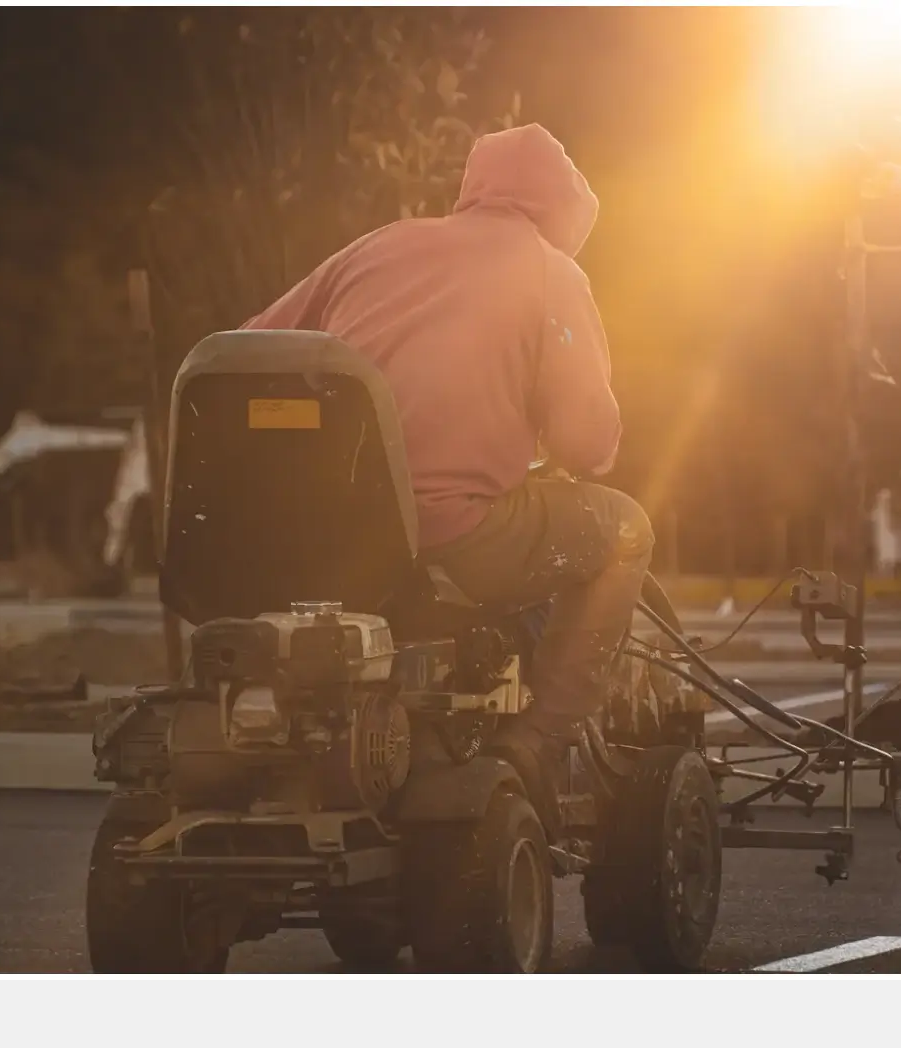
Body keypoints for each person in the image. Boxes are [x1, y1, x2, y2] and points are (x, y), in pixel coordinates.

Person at [241, 123, 654, 836]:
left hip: (327, 541)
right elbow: (586, 446)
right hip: (451, 535)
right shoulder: (552, 271)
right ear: (563, 215)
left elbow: (247, 348)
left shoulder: (377, 247)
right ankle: (539, 742)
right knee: (624, 531)